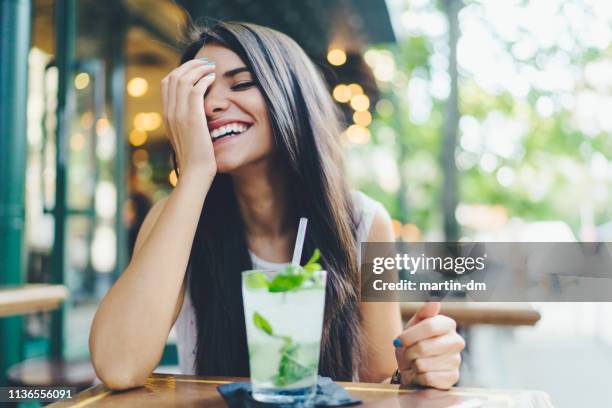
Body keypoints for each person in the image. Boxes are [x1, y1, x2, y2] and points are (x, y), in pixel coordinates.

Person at [89, 21, 464, 391]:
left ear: (291, 97)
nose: (213, 105)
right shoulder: (174, 219)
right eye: (199, 94)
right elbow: (119, 366)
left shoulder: (367, 224)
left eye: (241, 83)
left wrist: (414, 371)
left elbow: (379, 382)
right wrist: (194, 174)